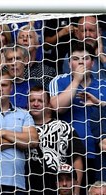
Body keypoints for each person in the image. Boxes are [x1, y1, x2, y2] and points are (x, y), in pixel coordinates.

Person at [23, 86, 84, 195]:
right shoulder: (21, 128)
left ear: (49, 103)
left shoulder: (64, 128)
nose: (35, 104)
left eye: (40, 100)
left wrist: (75, 194)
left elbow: (77, 160)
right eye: (32, 100)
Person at [49, 40, 106, 184]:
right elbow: (57, 107)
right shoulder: (59, 81)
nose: (81, 63)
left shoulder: (103, 85)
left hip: (99, 154)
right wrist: (76, 81)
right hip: (69, 153)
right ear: (69, 64)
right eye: (75, 59)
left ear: (92, 64)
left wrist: (99, 104)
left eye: (85, 59)